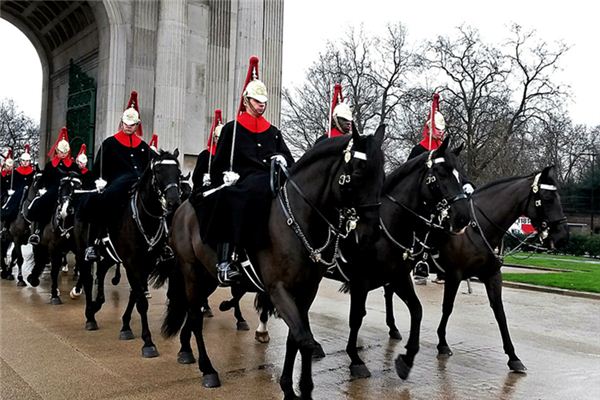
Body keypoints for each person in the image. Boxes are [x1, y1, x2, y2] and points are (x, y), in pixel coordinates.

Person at [200, 56, 294, 286]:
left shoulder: (273, 132)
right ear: (247, 100)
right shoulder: (232, 130)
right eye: (257, 101)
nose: (261, 105)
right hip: (242, 181)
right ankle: (225, 261)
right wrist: (224, 176)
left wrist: (282, 159)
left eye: (263, 101)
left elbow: (289, 161)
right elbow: (218, 165)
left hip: (270, 177)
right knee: (231, 198)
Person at [79, 90, 154, 261]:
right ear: (121, 122)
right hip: (117, 184)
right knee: (100, 202)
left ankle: (163, 244)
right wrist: (99, 181)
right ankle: (92, 244)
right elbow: (98, 168)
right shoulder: (110, 143)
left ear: (137, 125)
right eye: (126, 123)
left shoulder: (143, 147)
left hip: (139, 183)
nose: (128, 126)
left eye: (132, 124)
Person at [27, 128, 79, 244]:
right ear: (57, 151)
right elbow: (44, 179)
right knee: (43, 203)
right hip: (54, 190)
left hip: (69, 191)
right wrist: (42, 188)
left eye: (65, 152)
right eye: (61, 152)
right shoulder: (50, 165)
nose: (63, 154)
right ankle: (38, 231)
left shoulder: (73, 166)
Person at [1, 144, 35, 229]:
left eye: (27, 161)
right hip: (17, 191)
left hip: (28, 192)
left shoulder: (33, 172)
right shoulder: (15, 172)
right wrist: (9, 189)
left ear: (29, 161)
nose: (25, 163)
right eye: (23, 161)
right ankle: (6, 222)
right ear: (20, 161)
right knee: (12, 203)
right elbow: (9, 182)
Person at [191, 109, 223, 191]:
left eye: (221, 138)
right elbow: (196, 177)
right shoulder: (205, 155)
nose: (219, 140)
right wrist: (204, 179)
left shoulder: (228, 155)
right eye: (217, 137)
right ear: (214, 138)